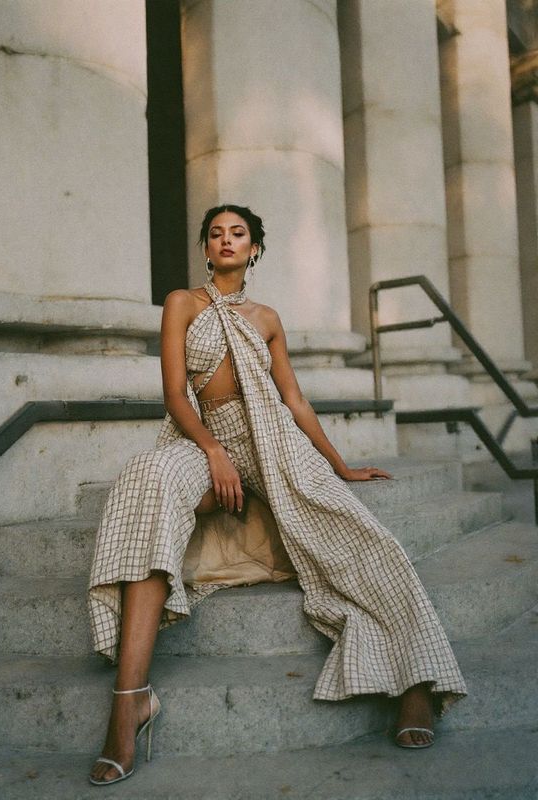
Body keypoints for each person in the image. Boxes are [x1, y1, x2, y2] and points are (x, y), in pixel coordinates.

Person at [87, 204, 467, 786]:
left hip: (271, 439)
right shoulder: (182, 304)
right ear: (206, 249)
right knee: (148, 479)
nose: (226, 241)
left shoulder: (267, 318)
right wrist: (213, 451)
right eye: (215, 234)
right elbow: (174, 394)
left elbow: (293, 398)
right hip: (201, 435)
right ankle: (130, 700)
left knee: (357, 531)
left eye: (238, 233)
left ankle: (414, 682)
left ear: (255, 248)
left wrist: (338, 464)